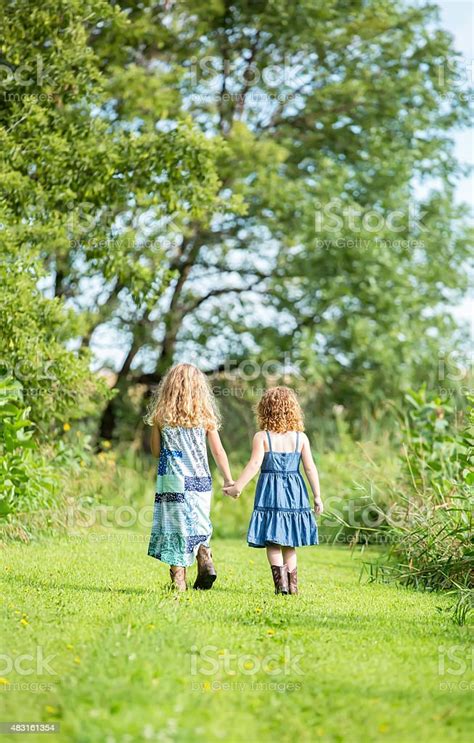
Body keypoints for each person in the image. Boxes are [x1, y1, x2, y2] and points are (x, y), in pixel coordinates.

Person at [224, 386, 323, 595]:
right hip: (295, 491)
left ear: (265, 410)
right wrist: (317, 496)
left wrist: (237, 487)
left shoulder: (262, 437)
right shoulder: (300, 438)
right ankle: (292, 587)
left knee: (273, 540)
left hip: (271, 491)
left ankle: (282, 587)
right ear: (293, 410)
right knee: (290, 543)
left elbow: (254, 464)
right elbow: (309, 468)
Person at [146, 363, 233, 591]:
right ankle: (204, 553)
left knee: (176, 528)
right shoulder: (205, 416)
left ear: (169, 388)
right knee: (199, 523)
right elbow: (218, 451)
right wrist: (228, 479)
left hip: (173, 480)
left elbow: (156, 452)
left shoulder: (160, 416)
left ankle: (179, 581)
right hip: (201, 481)